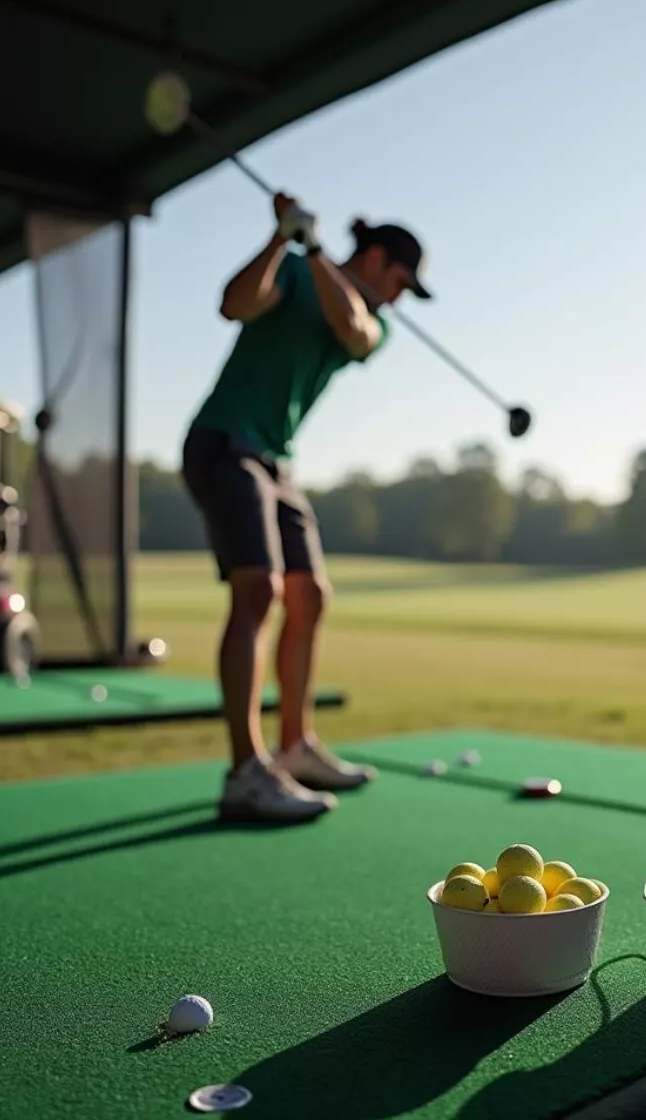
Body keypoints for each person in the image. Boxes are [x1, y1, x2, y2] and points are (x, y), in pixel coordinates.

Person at [181, 192, 433, 822]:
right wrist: (280, 241)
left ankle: (295, 747)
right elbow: (233, 304)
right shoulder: (291, 272)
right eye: (400, 281)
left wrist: (313, 246)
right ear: (375, 258)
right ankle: (245, 769)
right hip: (224, 443)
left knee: (310, 594)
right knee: (258, 591)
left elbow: (352, 329)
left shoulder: (370, 319)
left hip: (276, 461)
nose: (399, 297)